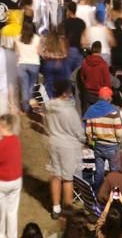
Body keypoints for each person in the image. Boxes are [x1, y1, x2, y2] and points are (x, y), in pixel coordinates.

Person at [45, 80, 86, 218]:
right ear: (64, 93)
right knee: (68, 178)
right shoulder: (70, 112)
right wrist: (85, 140)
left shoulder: (49, 106)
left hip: (53, 142)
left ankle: (56, 208)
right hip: (68, 146)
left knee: (56, 175)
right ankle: (67, 209)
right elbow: (79, 132)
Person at [0, 113, 24, 238]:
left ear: (2, 126)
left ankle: (0, 235)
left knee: (0, 214)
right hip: (16, 181)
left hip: (2, 181)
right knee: (12, 212)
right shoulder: (16, 141)